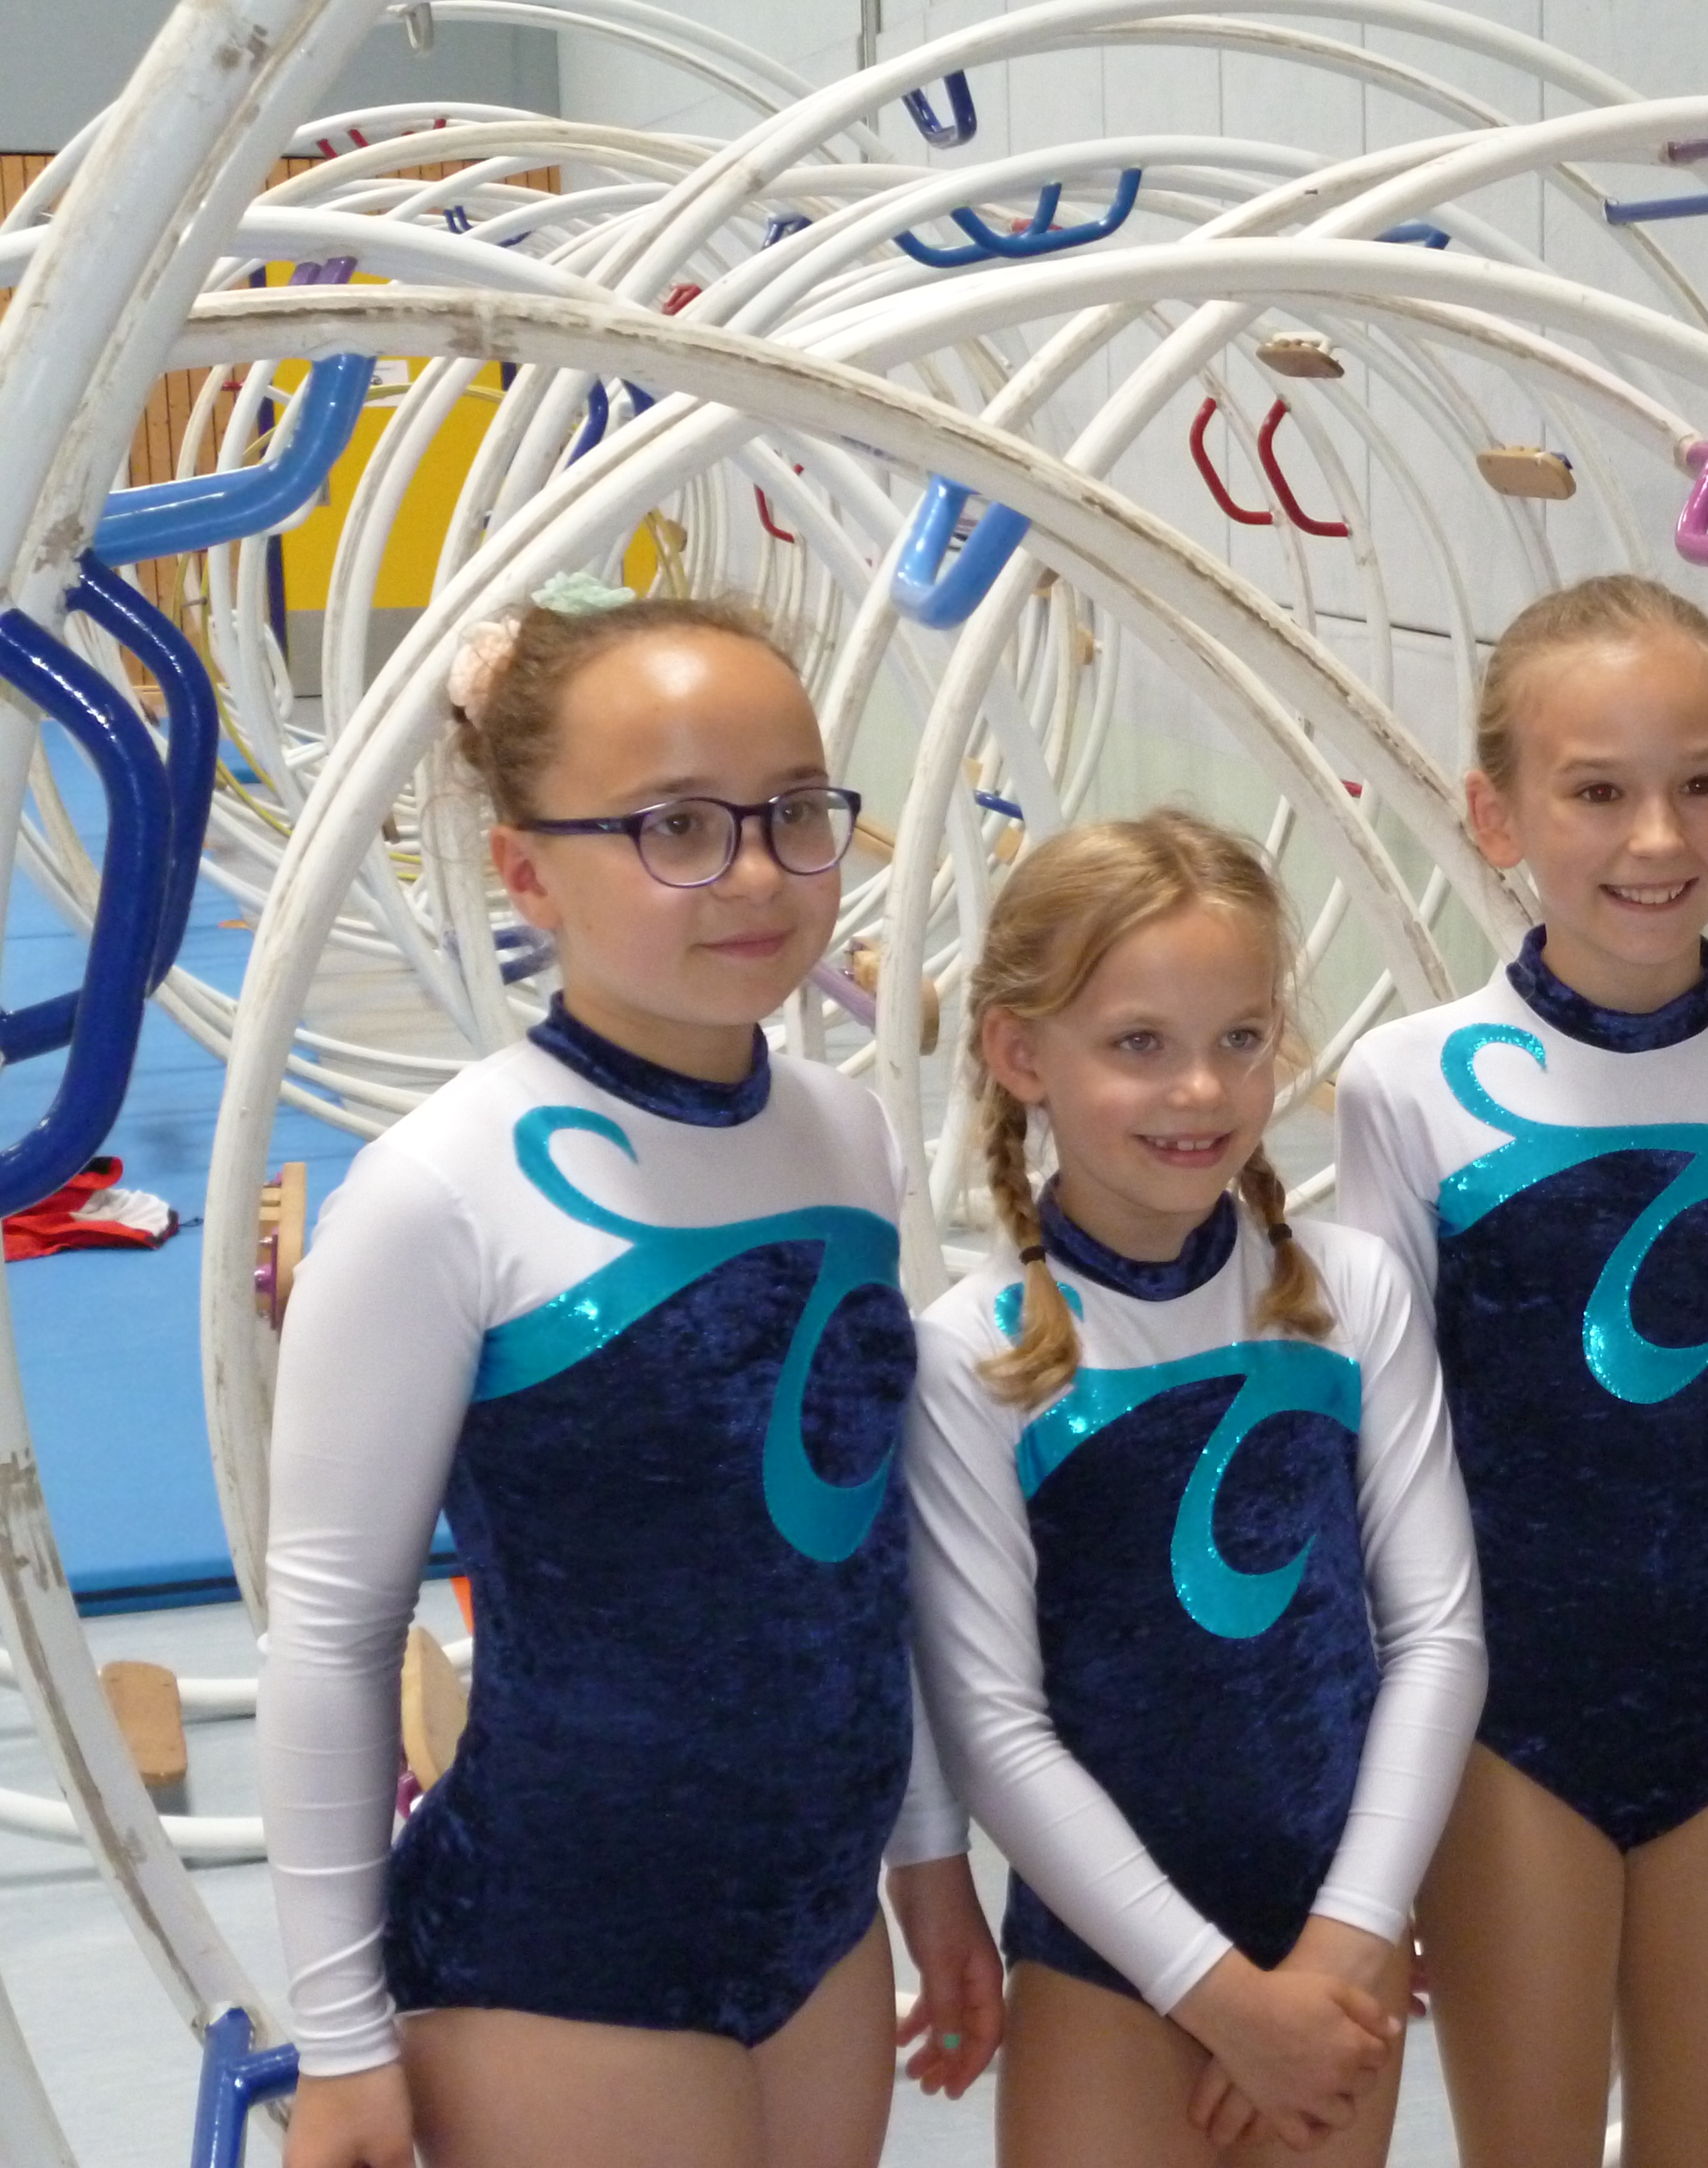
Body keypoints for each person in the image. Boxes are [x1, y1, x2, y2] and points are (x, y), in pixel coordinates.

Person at [260, 585, 1002, 2168]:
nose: (755, 874)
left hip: (819, 1931)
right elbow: (331, 1636)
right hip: (559, 1957)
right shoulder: (442, 1191)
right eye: (674, 828)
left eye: (793, 813)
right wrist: (339, 2039)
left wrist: (932, 1863)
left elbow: (868, 1559)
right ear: (526, 869)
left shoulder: (845, 1134)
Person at [1335, 574, 1708, 2168]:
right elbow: (1383, 1464)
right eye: (1596, 792)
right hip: (1502, 1721)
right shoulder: (1409, 1087)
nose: (1658, 837)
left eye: (1700, 784)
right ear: (1497, 813)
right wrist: (1373, 1794)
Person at [904, 810, 1485, 2168]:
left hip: (1332, 1939)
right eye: (1139, 1046)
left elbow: (1439, 1635)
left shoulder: (1349, 1295)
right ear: (1021, 1055)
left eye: (1241, 1038)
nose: (1203, 1091)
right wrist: (1222, 2000)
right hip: (1111, 1961)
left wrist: (1348, 1936)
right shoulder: (977, 1353)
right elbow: (994, 1723)